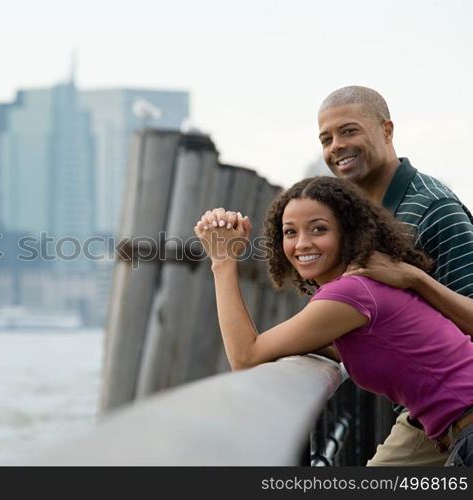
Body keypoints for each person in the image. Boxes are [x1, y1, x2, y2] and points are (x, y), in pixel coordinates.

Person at [193, 176, 473, 466]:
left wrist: (222, 261)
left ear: (348, 233)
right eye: (290, 232)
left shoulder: (350, 292)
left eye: (319, 229)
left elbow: (245, 356)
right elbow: (376, 346)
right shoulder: (361, 287)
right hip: (450, 429)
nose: (302, 243)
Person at [315, 86, 473, 466]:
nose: (337, 145)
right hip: (425, 411)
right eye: (326, 138)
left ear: (387, 130)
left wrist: (414, 279)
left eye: (349, 131)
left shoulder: (435, 208)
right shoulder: (360, 218)